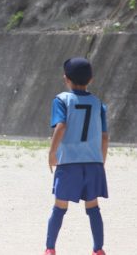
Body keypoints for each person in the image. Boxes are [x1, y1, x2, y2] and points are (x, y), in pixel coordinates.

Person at [44, 58, 108, 255]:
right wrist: (101, 161)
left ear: (66, 79)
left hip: (69, 163)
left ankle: (50, 248)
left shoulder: (62, 100)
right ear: (91, 80)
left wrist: (52, 153)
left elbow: (61, 127)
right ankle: (98, 250)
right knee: (93, 208)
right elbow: (105, 137)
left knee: (59, 207)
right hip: (93, 162)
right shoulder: (99, 104)